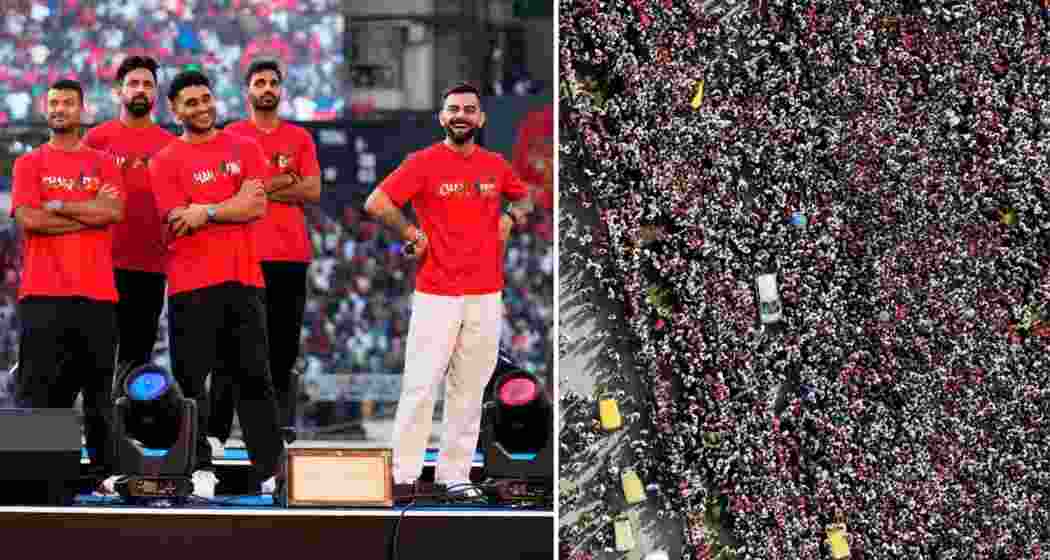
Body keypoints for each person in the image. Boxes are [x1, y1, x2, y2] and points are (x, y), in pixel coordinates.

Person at [364, 82, 533, 494]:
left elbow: (526, 197)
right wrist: (409, 230)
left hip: (485, 293)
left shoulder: (495, 165)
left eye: (469, 109)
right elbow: (377, 202)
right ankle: (403, 475)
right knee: (421, 385)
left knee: (470, 389)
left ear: (481, 118)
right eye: (453, 109)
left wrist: (511, 218)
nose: (461, 115)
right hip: (437, 291)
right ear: (442, 117)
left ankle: (454, 476)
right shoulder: (422, 163)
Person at [148, 70, 284, 497]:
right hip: (190, 285)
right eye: (191, 103)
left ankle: (270, 468)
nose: (202, 108)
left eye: (205, 98)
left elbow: (256, 205)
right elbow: (176, 219)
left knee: (255, 379)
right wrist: (229, 205)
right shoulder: (164, 160)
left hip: (244, 280)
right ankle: (198, 466)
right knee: (192, 382)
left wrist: (203, 211)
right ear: (174, 110)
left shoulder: (243, 146)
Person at [10, 79, 125, 477]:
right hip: (42, 295)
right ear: (47, 110)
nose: (60, 109)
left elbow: (112, 213)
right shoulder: (28, 164)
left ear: (82, 110)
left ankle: (104, 474)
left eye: (68, 103)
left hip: (97, 295)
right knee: (39, 394)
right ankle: (39, 474)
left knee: (98, 394)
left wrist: (57, 205)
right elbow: (29, 218)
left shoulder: (104, 163)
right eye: (54, 103)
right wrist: (85, 212)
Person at [209, 59, 321, 449]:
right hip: (241, 255)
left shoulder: (300, 138)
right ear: (248, 91)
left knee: (283, 349)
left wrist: (256, 188)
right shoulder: (230, 136)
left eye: (274, 82)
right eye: (260, 82)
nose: (268, 88)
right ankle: (216, 434)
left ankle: (278, 433)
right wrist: (283, 181)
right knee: (228, 347)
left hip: (290, 255)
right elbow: (224, 194)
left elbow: (311, 191)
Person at [82, 56, 174, 371]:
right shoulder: (96, 139)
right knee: (95, 360)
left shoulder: (170, 145)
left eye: (147, 84)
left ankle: (129, 422)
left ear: (156, 94)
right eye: (133, 83)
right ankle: (94, 422)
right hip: (99, 266)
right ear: (117, 91)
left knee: (136, 363)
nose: (140, 90)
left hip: (149, 268)